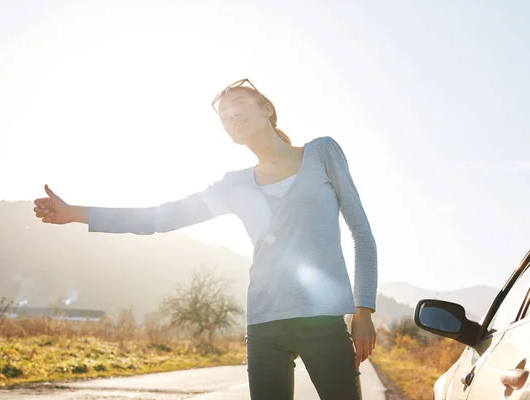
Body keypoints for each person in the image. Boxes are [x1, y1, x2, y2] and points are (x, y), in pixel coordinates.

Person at [33, 78, 378, 399]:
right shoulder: (234, 185)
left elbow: (361, 232)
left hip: (323, 321)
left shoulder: (322, 153)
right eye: (224, 116)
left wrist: (363, 311)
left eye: (239, 103)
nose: (231, 115)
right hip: (264, 326)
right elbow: (162, 216)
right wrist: (77, 213)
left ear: (267, 109)